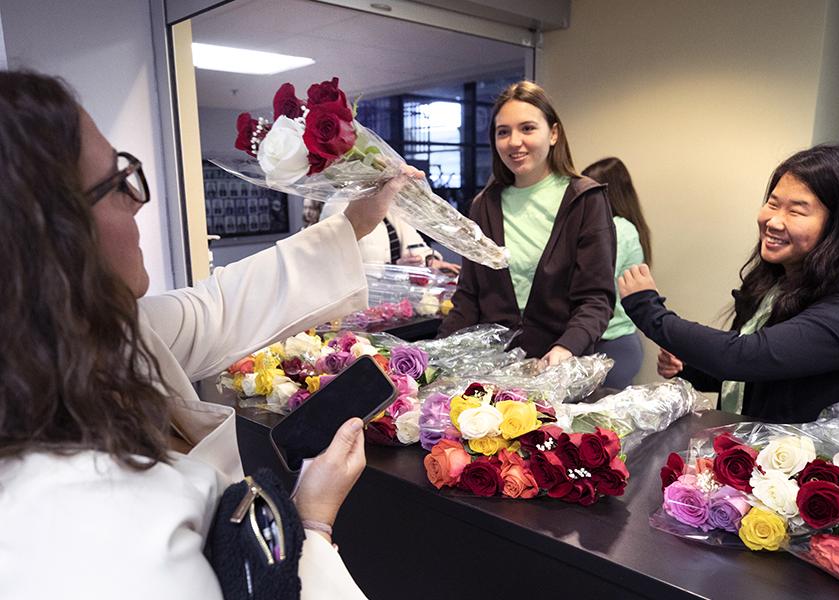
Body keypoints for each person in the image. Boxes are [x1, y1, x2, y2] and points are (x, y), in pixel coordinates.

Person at [0, 70, 421, 598]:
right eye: (115, 183)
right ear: (48, 233)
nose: (137, 201)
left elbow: (217, 309)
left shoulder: (96, 337)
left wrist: (354, 221)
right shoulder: (85, 526)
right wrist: (309, 526)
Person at [619, 144, 839, 422]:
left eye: (797, 211)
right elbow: (770, 376)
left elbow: (747, 356)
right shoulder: (781, 283)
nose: (773, 221)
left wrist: (649, 311)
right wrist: (692, 368)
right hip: (761, 454)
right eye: (773, 204)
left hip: (820, 464)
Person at [439, 81, 616, 367]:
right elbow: (468, 298)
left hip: (559, 368)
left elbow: (595, 300)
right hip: (492, 369)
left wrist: (565, 348)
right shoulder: (484, 206)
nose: (514, 141)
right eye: (503, 132)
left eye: (528, 128)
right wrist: (435, 357)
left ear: (554, 133)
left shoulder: (584, 200)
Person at [581, 157, 652, 388]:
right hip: (611, 343)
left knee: (603, 422)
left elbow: (596, 281)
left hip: (611, 343)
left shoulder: (617, 229)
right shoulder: (622, 227)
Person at [321, 202, 461, 275]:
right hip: (361, 307)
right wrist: (394, 270)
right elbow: (332, 266)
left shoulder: (391, 209)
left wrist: (429, 261)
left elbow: (416, 245)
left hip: (397, 304)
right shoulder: (338, 208)